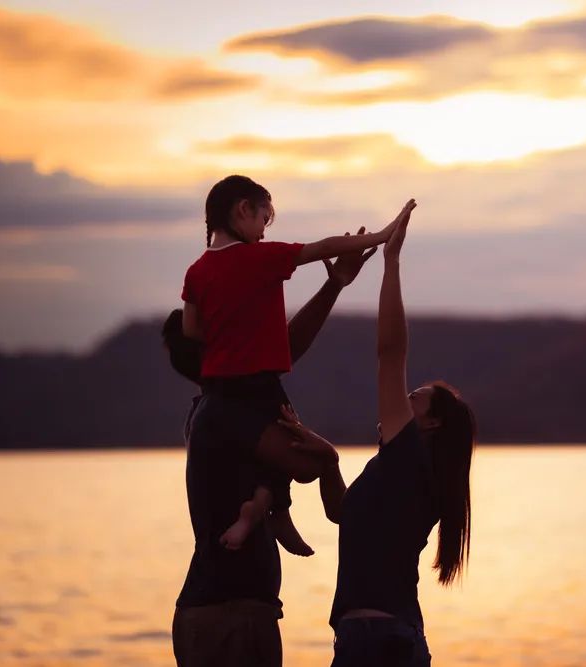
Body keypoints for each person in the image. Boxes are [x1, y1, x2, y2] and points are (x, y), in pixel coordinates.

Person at [171, 174, 413, 667]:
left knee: (282, 422)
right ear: (243, 211)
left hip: (236, 612)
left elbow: (267, 345)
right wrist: (382, 236)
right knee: (291, 427)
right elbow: (305, 462)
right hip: (229, 620)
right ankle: (273, 513)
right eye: (263, 219)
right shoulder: (222, 412)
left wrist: (333, 284)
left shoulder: (201, 279)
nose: (264, 230)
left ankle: (274, 511)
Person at [278, 208, 477, 666]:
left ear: (430, 424)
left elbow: (391, 353)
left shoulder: (410, 459)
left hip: (378, 641)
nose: (403, 400)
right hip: (374, 637)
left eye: (415, 398)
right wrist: (329, 462)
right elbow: (344, 514)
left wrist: (391, 262)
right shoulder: (397, 471)